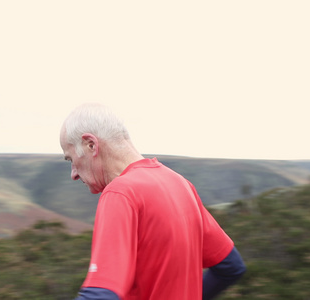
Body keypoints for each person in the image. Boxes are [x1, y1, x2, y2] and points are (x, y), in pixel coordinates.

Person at [59, 104, 246, 300]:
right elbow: (231, 266)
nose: (73, 174)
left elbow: (100, 295)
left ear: (91, 144)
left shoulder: (120, 193)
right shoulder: (180, 184)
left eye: (70, 159)